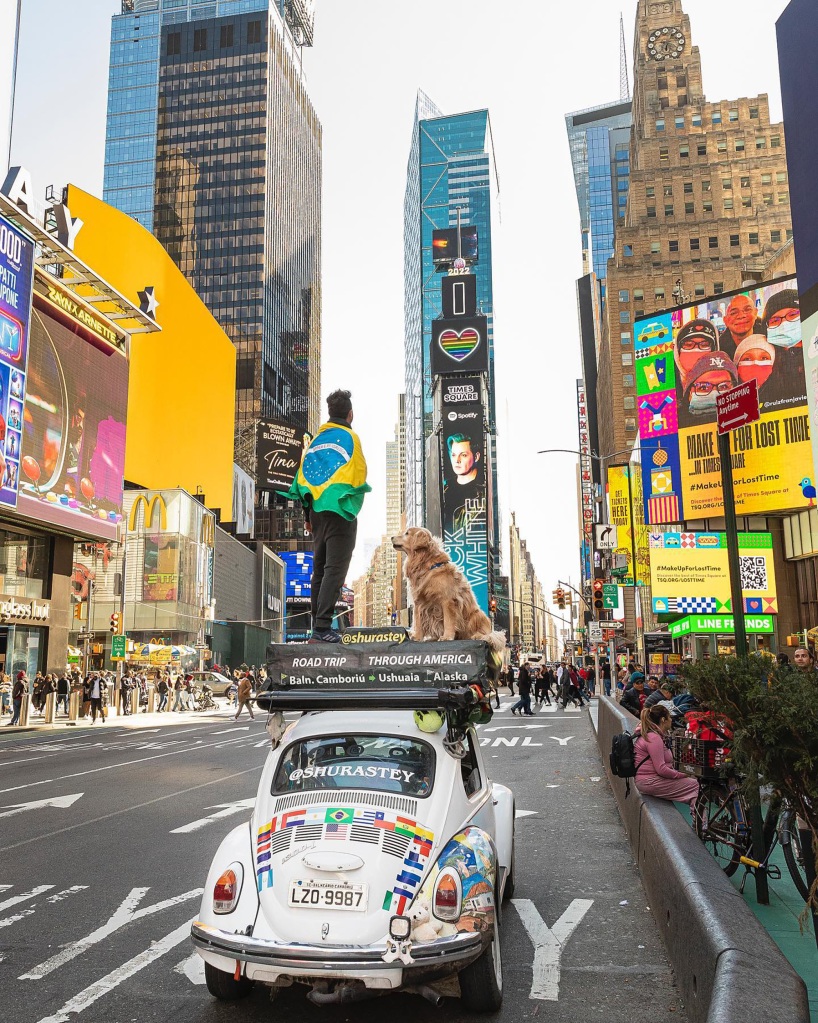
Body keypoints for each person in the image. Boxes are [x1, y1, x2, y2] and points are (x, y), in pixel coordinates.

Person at [287, 389, 371, 644]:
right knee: (335, 569)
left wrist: (308, 515)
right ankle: (323, 628)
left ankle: (317, 628)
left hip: (316, 511)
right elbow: (359, 475)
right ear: (350, 414)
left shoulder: (315, 441)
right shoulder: (350, 437)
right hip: (339, 509)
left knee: (319, 571)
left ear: (329, 413)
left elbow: (302, 478)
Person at [633, 705, 699, 806]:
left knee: (691, 785)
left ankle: (699, 818)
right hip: (649, 781)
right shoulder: (654, 738)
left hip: (646, 780)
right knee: (694, 785)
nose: (671, 720)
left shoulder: (650, 734)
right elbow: (661, 769)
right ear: (663, 719)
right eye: (670, 717)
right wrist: (683, 775)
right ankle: (701, 821)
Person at [717, 293, 763, 360]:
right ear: (725, 320)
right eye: (734, 313)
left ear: (755, 313)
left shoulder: (770, 339)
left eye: (747, 310)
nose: (741, 316)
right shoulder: (718, 350)